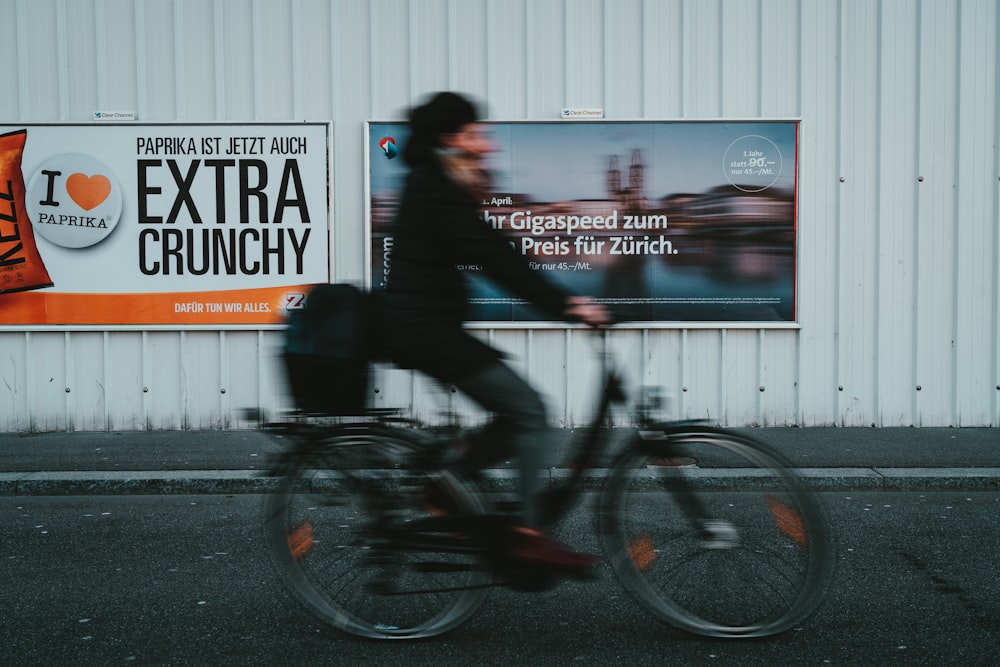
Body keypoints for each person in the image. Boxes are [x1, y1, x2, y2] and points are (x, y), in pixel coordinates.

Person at [382, 92, 611, 576]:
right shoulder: (435, 185)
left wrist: (561, 303)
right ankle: (527, 536)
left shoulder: (444, 180)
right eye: (477, 134)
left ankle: (449, 482)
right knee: (530, 412)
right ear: (451, 139)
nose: (487, 143)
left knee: (513, 413)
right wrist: (566, 303)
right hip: (423, 329)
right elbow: (493, 255)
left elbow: (491, 247)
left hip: (428, 325)